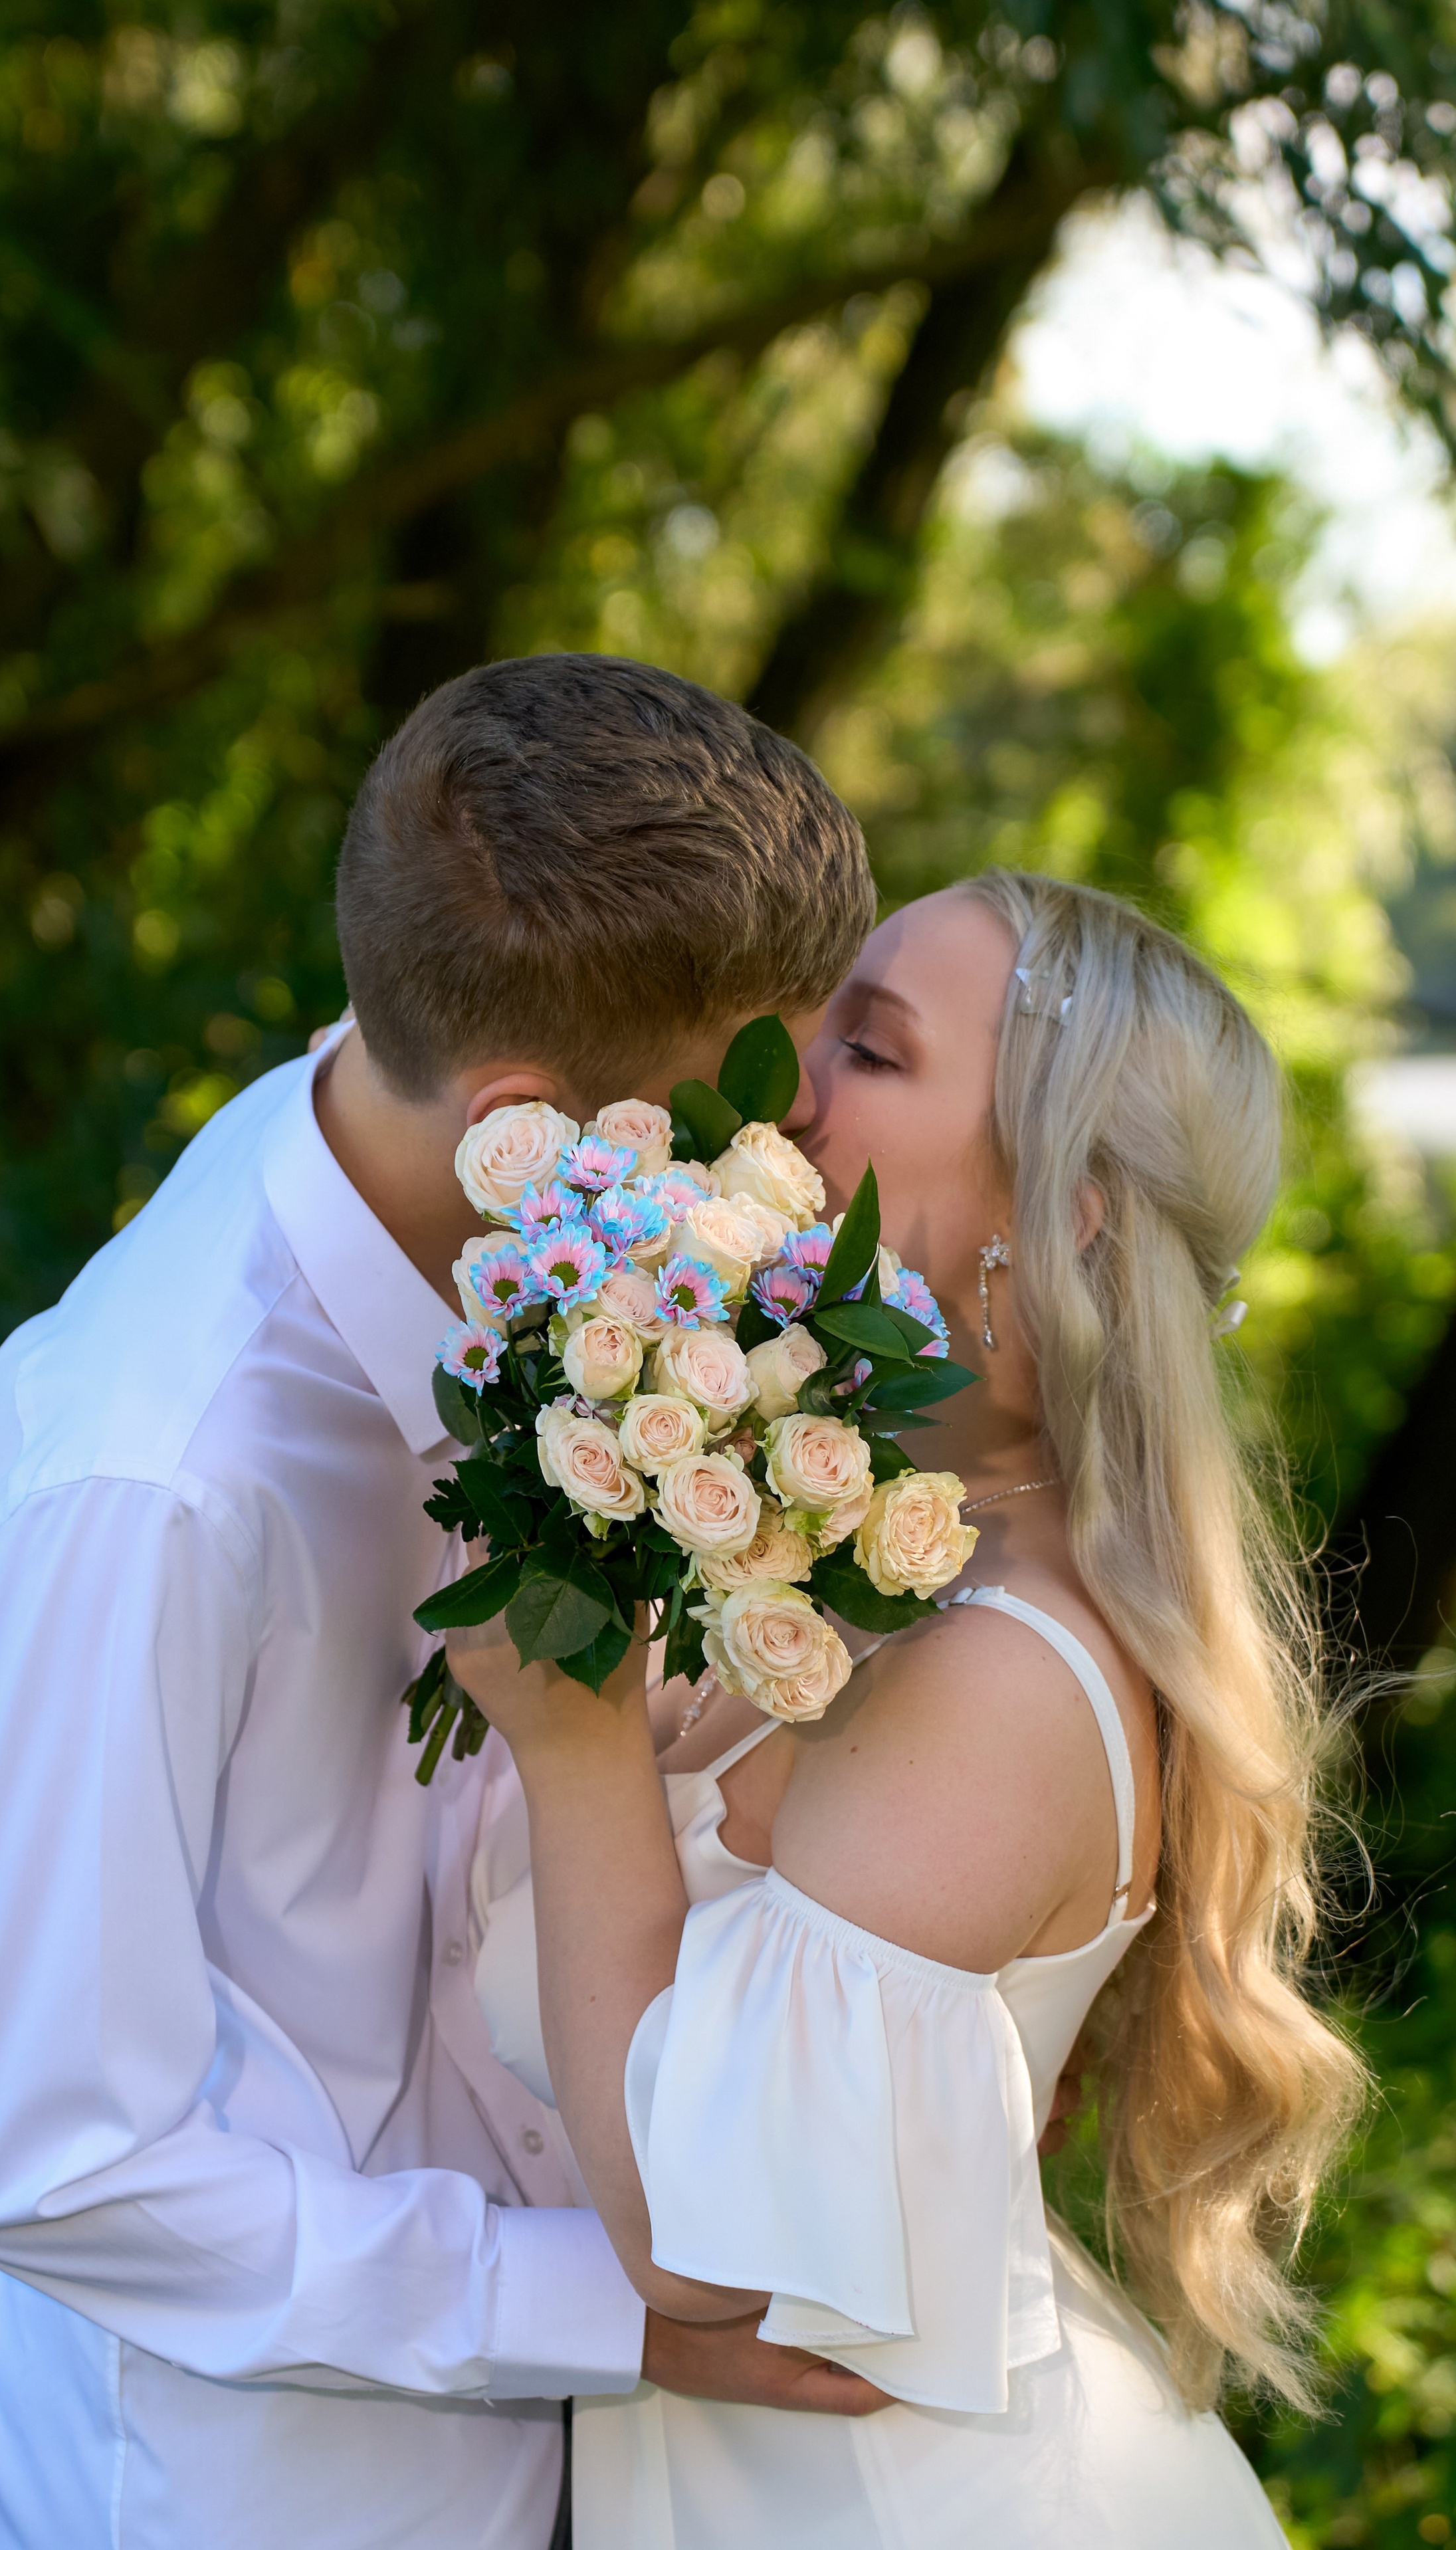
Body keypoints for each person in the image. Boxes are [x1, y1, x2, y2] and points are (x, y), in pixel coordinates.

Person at [0, 653, 888, 2550]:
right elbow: (52, 2163)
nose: (788, 1160)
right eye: (744, 1106)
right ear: (523, 1119)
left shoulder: (525, 1263)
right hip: (267, 2496)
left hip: (594, 2470)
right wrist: (611, 2307)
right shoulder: (144, 1483)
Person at [453, 871, 1368, 2549]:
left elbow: (701, 2249)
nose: (788, 1083)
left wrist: (574, 1741)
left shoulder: (1004, 1668)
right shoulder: (872, 1547)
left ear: (1063, 1206)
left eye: (868, 1048)